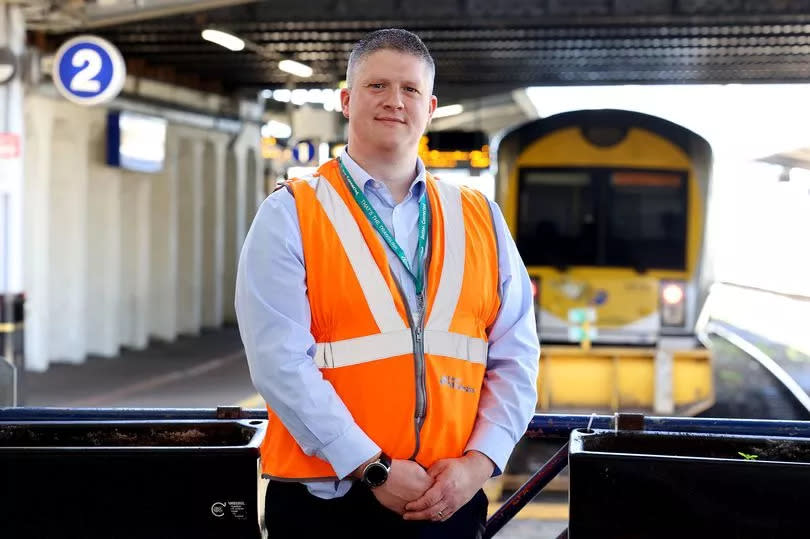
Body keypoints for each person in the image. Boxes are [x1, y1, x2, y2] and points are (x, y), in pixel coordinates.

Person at [236, 28, 539, 538]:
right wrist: (370, 465)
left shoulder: (480, 217)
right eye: (377, 86)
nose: (394, 101)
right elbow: (278, 361)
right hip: (327, 503)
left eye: (410, 89)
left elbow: (516, 355)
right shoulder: (290, 212)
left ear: (432, 106)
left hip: (446, 499)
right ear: (347, 100)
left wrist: (479, 464)